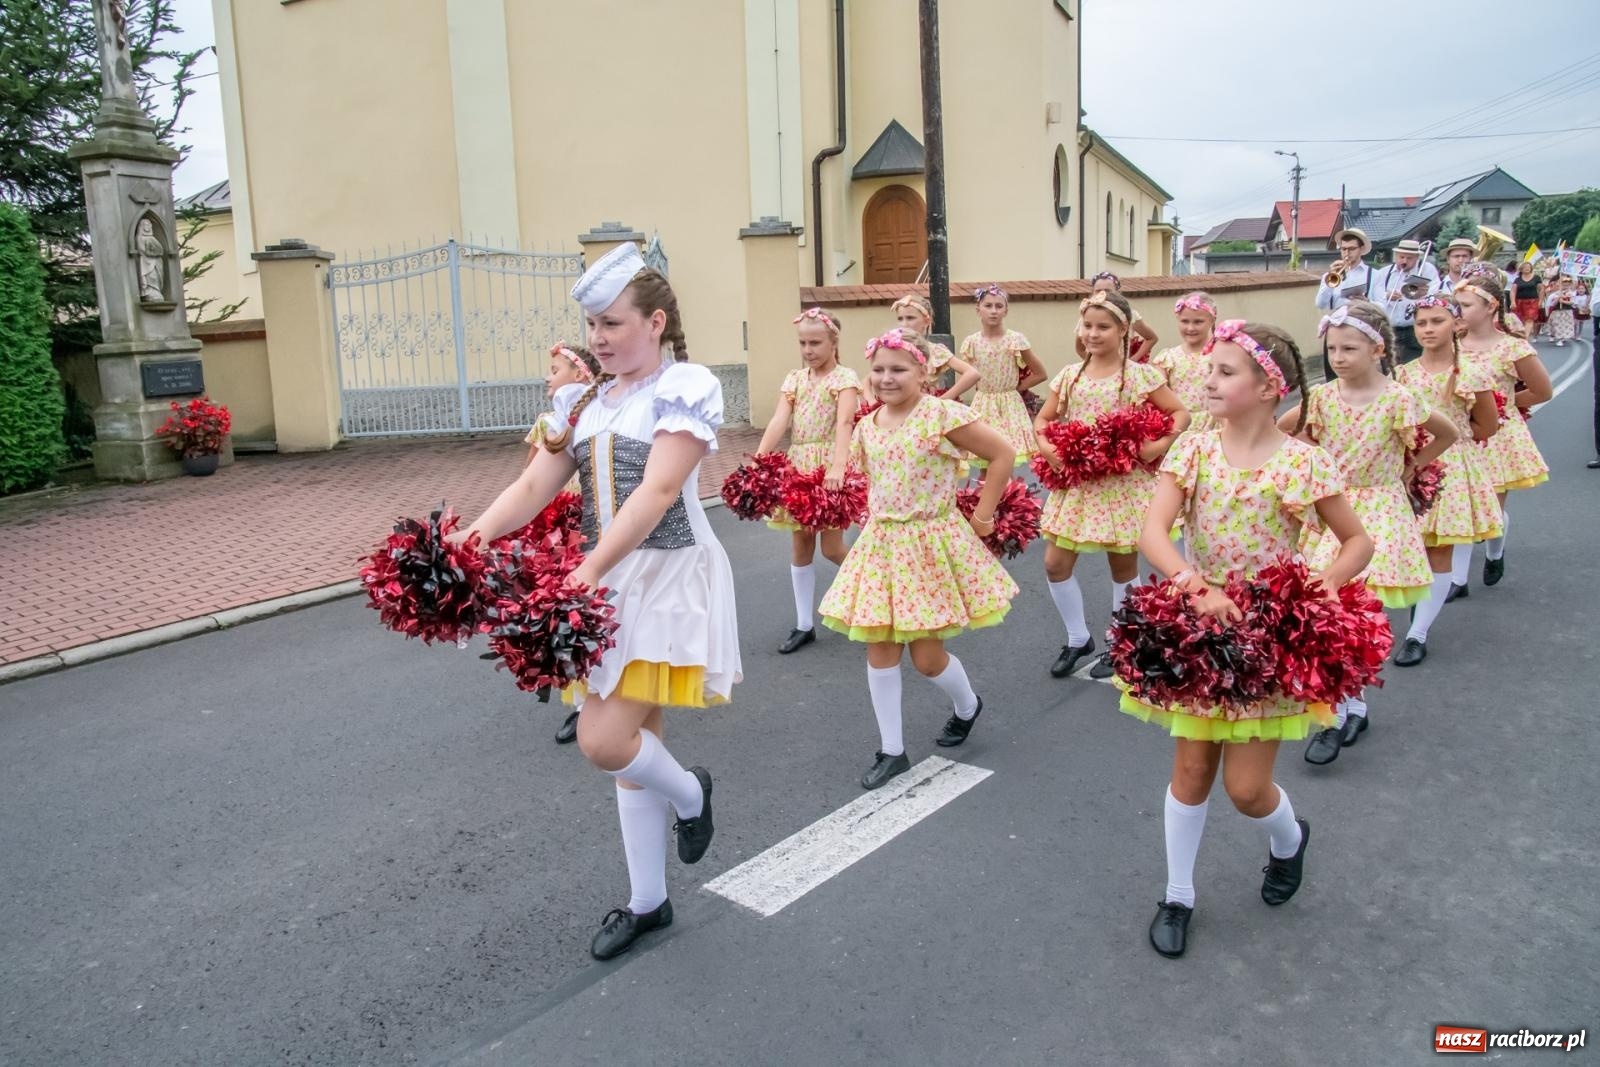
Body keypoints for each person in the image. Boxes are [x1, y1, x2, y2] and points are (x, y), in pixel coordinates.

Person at [459, 243, 739, 961]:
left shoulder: (684, 386)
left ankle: (692, 795)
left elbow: (658, 491)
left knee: (605, 739)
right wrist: (473, 537)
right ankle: (650, 901)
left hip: (666, 574)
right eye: (592, 326)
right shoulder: (583, 401)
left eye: (613, 323)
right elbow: (534, 485)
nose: (599, 338)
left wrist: (585, 571)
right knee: (631, 745)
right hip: (607, 580)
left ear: (656, 321)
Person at [1125, 320, 1373, 959]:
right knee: (1190, 768)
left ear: (1270, 388)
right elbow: (1153, 532)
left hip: (1264, 639)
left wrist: (1318, 587)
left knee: (1246, 791)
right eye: (1209, 369)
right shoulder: (1195, 450)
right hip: (1199, 625)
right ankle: (1178, 894)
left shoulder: (1302, 461)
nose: (1208, 380)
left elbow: (1357, 541)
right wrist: (1192, 582)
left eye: (1226, 371)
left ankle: (1289, 840)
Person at [818, 329, 1020, 790]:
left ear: (925, 372)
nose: (886, 378)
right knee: (880, 647)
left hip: (929, 545)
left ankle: (967, 705)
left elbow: (1002, 453)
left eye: (899, 369)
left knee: (927, 659)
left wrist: (984, 516)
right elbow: (876, 482)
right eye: (879, 370)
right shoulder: (869, 426)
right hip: (882, 543)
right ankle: (892, 750)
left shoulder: (941, 415)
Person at [1287, 301, 1456, 765]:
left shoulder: (1398, 398)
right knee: (1330, 610)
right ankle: (1352, 708)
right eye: (1332, 348)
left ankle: (1341, 715)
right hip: (1332, 511)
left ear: (1377, 349)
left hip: (1380, 511)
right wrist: (1309, 464)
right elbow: (1284, 431)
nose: (1338, 357)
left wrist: (1413, 466)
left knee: (1351, 611)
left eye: (1349, 348)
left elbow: (1446, 433)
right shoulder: (1321, 398)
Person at [1035, 289, 1189, 680]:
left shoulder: (1141, 376)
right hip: (1079, 485)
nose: (1092, 333)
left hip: (1123, 485)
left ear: (1124, 330)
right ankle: (1076, 637)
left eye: (1103, 327)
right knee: (1055, 564)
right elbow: (1043, 420)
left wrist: (1159, 443)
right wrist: (1048, 448)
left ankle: (1120, 640)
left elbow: (1178, 412)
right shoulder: (1069, 375)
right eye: (1087, 325)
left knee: (1121, 565)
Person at [1392, 296, 1503, 659]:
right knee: (1413, 547)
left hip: (1452, 465)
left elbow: (1488, 423)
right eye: (1421, 323)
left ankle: (1418, 635)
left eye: (1436, 321)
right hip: (1410, 467)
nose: (1427, 329)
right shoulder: (1404, 374)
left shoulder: (1470, 372)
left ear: (1456, 325)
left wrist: (1453, 438)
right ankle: (1420, 606)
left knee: (1440, 547)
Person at [754, 307, 861, 655]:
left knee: (831, 547)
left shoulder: (844, 378)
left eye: (815, 342)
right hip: (800, 465)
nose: (808, 350)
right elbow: (779, 421)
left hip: (829, 466)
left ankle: (873, 590)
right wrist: (759, 460)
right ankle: (804, 624)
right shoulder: (795, 379)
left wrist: (838, 466)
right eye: (803, 343)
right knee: (801, 543)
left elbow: (845, 423)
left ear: (833, 342)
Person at [524, 340, 603, 745]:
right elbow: (531, 480)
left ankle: (602, 695)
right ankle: (579, 705)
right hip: (556, 526)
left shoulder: (599, 416)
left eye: (554, 369)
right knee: (563, 612)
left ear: (579, 376)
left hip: (588, 524)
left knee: (587, 608)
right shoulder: (547, 422)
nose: (547, 376)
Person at [1454, 269, 1553, 587]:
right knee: (1460, 507)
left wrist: (1502, 403)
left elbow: (1541, 391)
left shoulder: (1512, 347)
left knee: (1490, 509)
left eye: (1466, 305)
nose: (1460, 312)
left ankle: (1495, 554)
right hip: (1462, 435)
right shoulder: (1453, 344)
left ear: (1491, 306)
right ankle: (1457, 579)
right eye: (1458, 305)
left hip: (1499, 436)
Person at [956, 286, 1048, 473]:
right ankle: (985, 500)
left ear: (1006, 310)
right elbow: (969, 375)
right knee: (984, 460)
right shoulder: (971, 343)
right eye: (988, 305)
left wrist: (1017, 387)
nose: (993, 310)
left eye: (999, 306)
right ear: (978, 310)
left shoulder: (1015, 340)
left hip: (1009, 406)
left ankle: (1008, 501)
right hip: (983, 404)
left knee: (1005, 462)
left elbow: (1040, 373)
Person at [884, 293, 982, 398]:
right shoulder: (893, 349)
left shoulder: (935, 351)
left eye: (910, 318)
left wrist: (943, 400)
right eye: (900, 319)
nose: (904, 324)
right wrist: (873, 402)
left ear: (926, 321)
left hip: (925, 410)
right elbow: (869, 380)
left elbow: (972, 374)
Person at [1149, 291, 1218, 432]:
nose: (1190, 328)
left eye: (1198, 322)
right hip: (1179, 428)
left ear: (1212, 320)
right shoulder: (1168, 358)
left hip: (1215, 426)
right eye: (1185, 321)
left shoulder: (1221, 355)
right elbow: (1156, 395)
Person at [1315, 228, 1376, 379]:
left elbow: (1382, 306)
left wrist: (1367, 303)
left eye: (1351, 249)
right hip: (1336, 331)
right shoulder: (1331, 275)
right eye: (1343, 249)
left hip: (1361, 331)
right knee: (1333, 376)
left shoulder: (1373, 274)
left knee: (1360, 375)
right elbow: (1320, 303)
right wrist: (1330, 280)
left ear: (1361, 249)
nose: (1347, 253)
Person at [1373, 238, 1440, 364]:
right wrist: (1387, 295)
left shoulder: (1427, 270)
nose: (1404, 261)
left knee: (1414, 366)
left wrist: (1423, 294)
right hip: (1390, 328)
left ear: (1417, 258)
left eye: (1409, 258)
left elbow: (1435, 294)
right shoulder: (1384, 273)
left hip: (1414, 328)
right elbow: (1374, 297)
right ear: (1396, 256)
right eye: (1401, 257)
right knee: (1389, 367)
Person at [1087, 271, 1160, 360]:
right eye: (1098, 291)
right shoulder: (1087, 317)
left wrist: (1133, 359)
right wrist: (1090, 362)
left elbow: (1151, 338)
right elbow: (1079, 348)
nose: (1103, 294)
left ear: (1117, 293)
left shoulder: (1130, 316)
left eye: (1108, 291)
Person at [1544, 275, 1577, 346]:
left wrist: (1563, 301)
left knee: (1565, 325)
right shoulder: (1555, 294)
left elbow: (1572, 302)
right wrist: (1558, 298)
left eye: (1567, 285)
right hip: (1557, 311)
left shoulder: (1570, 294)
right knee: (1557, 325)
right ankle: (1558, 337)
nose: (1565, 287)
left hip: (1567, 311)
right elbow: (1551, 304)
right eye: (1564, 285)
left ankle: (1562, 338)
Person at [1511, 261, 1543, 333]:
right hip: (1519, 301)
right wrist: (1513, 302)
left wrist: (1540, 301)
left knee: (1530, 319)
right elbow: (1513, 291)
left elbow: (1541, 290)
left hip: (1532, 301)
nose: (1527, 269)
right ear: (1521, 269)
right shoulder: (1517, 279)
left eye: (1528, 267)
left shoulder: (1536, 278)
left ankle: (1525, 337)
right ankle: (1522, 334)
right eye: (1525, 267)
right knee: (1520, 319)